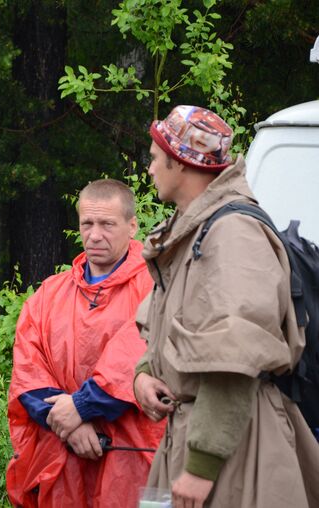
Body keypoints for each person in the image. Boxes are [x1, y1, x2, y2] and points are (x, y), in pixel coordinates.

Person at [134, 105, 319, 508]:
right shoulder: (193, 232)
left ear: (180, 161)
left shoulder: (233, 234)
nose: (149, 168)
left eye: (153, 157)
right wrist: (146, 375)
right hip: (195, 438)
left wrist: (201, 467)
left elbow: (236, 355)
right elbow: (166, 326)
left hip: (236, 451)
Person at [6, 179, 165, 508]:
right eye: (87, 224)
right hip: (64, 462)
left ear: (132, 226)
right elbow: (28, 372)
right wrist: (70, 425)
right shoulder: (49, 294)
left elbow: (137, 358)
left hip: (133, 458)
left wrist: (81, 408)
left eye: (107, 224)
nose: (94, 235)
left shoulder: (156, 285)